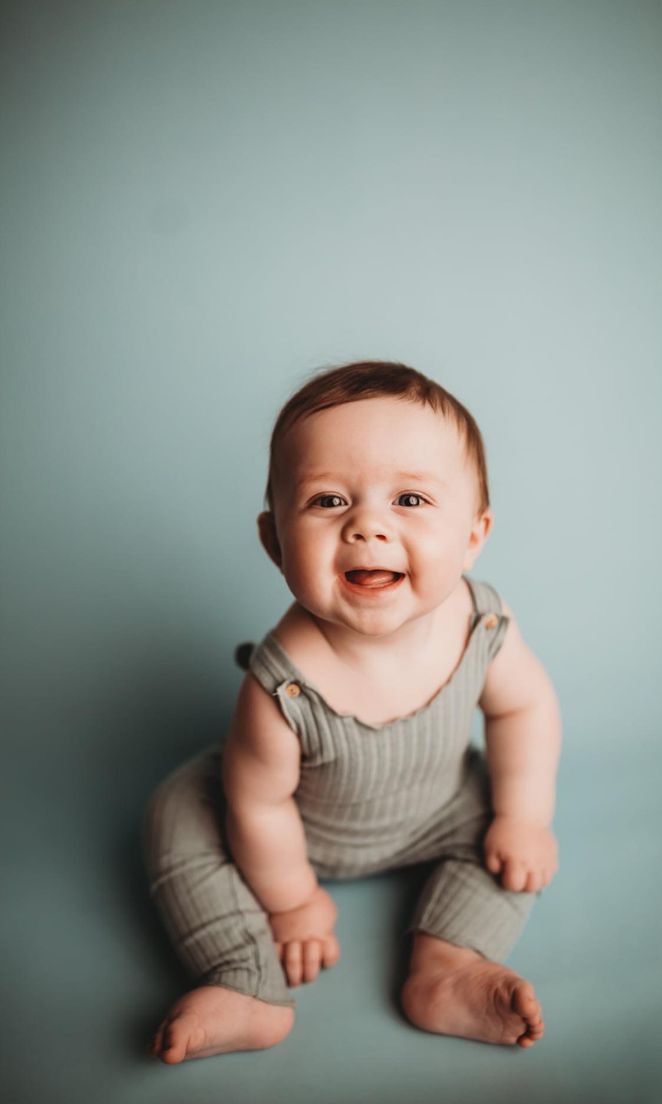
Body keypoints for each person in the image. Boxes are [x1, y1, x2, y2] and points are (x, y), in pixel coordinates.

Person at [143, 360, 562, 1063]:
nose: (369, 526)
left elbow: (524, 709)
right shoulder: (284, 686)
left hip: (438, 808)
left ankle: (448, 966)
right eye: (329, 502)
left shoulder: (481, 624)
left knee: (510, 839)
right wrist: (292, 901)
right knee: (177, 816)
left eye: (411, 500)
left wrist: (522, 815)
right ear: (275, 541)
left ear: (473, 534)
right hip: (293, 835)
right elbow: (259, 805)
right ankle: (244, 979)